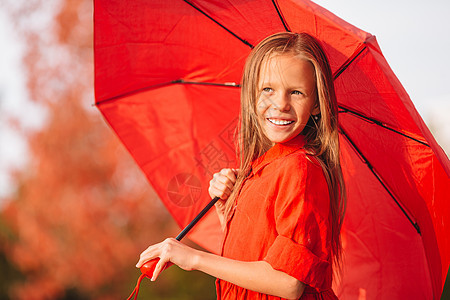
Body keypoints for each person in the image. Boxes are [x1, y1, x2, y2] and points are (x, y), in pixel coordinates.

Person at [136, 32, 346, 300]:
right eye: (268, 89)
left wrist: (194, 258)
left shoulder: (299, 169)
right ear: (252, 95)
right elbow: (254, 254)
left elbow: (288, 281)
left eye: (296, 92)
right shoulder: (261, 169)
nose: (280, 104)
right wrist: (229, 214)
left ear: (316, 104)